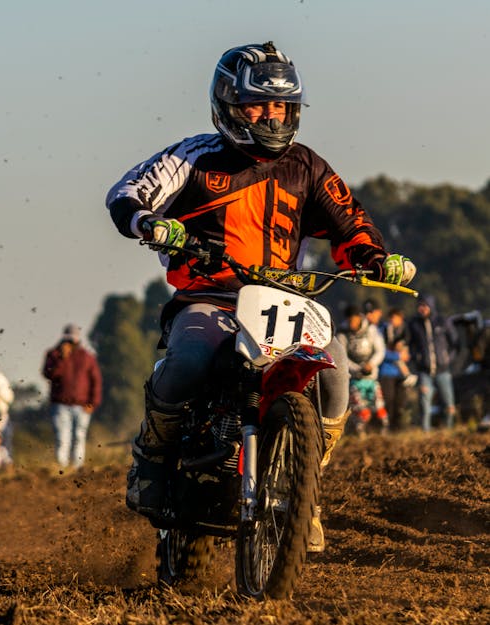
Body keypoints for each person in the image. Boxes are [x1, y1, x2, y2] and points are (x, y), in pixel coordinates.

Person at [106, 41, 416, 552]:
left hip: (285, 300)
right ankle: (151, 459)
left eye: (281, 106)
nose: (271, 117)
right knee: (186, 361)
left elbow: (350, 222)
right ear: (228, 105)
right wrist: (152, 225)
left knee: (336, 372)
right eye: (258, 105)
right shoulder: (195, 157)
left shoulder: (308, 166)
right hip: (211, 298)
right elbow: (126, 192)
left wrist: (376, 258)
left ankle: (303, 493)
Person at [42, 324, 102, 470]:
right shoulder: (54, 355)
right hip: (60, 404)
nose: (69, 342)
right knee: (62, 437)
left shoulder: (87, 357)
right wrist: (62, 358)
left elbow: (96, 380)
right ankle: (61, 467)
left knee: (79, 437)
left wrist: (93, 402)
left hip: (81, 405)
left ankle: (77, 467)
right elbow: (49, 374)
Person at [337, 305, 389, 435]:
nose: (352, 324)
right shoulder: (343, 333)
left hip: (372, 378)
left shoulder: (371, 330)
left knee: (379, 406)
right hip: (354, 379)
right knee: (360, 410)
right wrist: (358, 369)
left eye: (354, 320)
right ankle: (360, 435)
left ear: (359, 318)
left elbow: (380, 350)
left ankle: (384, 433)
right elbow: (342, 356)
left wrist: (371, 364)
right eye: (349, 321)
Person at [408, 295, 458, 431]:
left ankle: (448, 431)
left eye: (424, 305)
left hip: (443, 371)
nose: (421, 308)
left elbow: (455, 344)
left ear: (431, 305)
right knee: (424, 403)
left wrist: (448, 359)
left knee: (449, 404)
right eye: (419, 305)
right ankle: (426, 433)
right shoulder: (414, 324)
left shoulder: (443, 322)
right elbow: (411, 346)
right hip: (425, 371)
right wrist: (416, 359)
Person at [378, 308, 417, 430]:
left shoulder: (407, 331)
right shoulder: (382, 331)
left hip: (402, 373)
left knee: (400, 402)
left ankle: (398, 427)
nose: (393, 321)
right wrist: (397, 355)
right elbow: (381, 352)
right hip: (387, 372)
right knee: (388, 400)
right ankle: (387, 426)